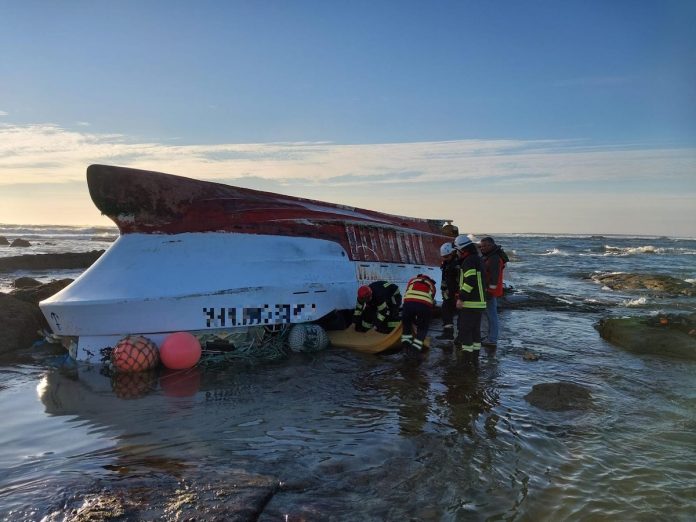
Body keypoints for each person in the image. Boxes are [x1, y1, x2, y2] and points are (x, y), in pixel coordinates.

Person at [453, 234, 486, 369]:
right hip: (479, 302)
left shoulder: (468, 261)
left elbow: (470, 281)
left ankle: (466, 361)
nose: (456, 253)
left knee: (466, 331)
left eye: (457, 250)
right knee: (475, 331)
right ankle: (475, 359)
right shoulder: (477, 259)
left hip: (471, 303)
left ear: (461, 249)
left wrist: (461, 298)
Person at [479, 236, 508, 349]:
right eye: (481, 246)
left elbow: (494, 277)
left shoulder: (494, 258)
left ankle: (492, 339)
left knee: (492, 315)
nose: (482, 248)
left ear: (491, 245)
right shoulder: (490, 256)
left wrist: (490, 291)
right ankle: (489, 337)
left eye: (484, 246)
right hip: (488, 290)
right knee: (489, 314)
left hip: (490, 291)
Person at [401, 273, 437, 363]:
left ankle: (405, 349)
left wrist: (413, 320)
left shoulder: (412, 280)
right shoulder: (431, 285)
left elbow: (407, 292)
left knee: (406, 326)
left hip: (408, 303)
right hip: (424, 306)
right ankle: (414, 352)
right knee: (422, 329)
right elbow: (432, 300)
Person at [436, 242, 459, 341]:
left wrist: (456, 292)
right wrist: (443, 290)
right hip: (447, 292)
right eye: (444, 257)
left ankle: (459, 335)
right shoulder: (446, 263)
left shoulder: (457, 264)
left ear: (452, 253)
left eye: (446, 256)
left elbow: (458, 280)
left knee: (459, 314)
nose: (445, 258)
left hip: (455, 293)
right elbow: (445, 278)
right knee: (446, 311)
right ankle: (448, 333)